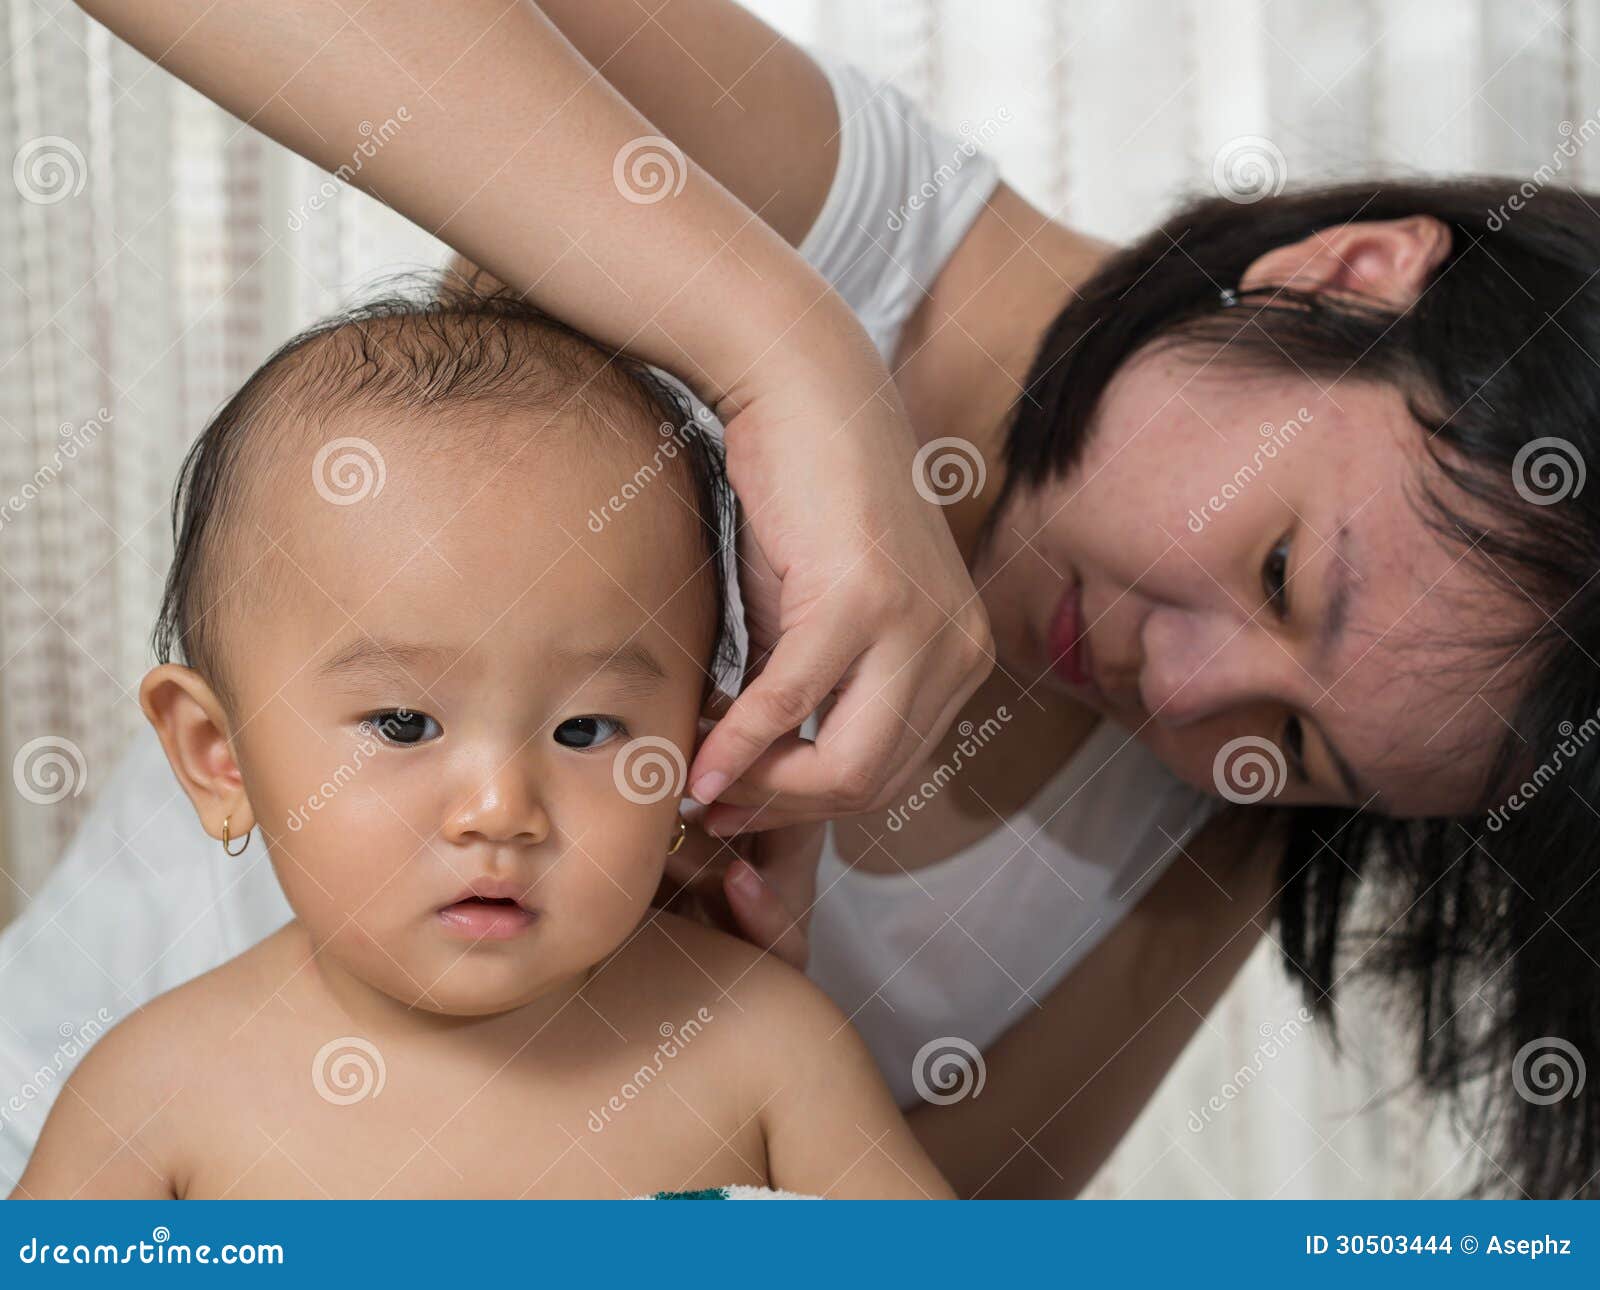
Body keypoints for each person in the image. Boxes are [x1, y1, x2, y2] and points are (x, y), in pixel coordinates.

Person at [15, 0, 1596, 1198]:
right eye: (1278, 570)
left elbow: (932, 1222)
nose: (1186, 696)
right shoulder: (843, 217)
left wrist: (742, 1055)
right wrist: (783, 349)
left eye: (1304, 746)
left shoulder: (1219, 820)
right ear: (1344, 276)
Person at [10, 283, 951, 1200]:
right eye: (403, 724)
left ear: (697, 745)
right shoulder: (159, 1097)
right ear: (220, 755)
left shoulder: (766, 1050)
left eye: (587, 729)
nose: (502, 811)